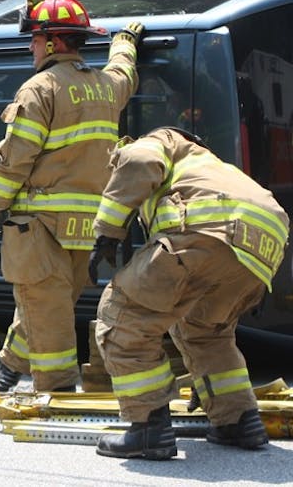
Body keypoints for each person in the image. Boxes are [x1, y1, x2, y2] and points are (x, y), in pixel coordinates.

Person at [91, 127, 289, 460]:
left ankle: (147, 428)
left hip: (206, 231)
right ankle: (237, 420)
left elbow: (138, 159)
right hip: (264, 248)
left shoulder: (166, 141)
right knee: (206, 332)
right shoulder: (213, 166)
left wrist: (107, 232)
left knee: (124, 318)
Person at [0, 0, 142, 393]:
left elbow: (16, 158)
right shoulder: (106, 88)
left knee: (45, 305)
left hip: (39, 226)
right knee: (48, 302)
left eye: (35, 39)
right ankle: (8, 367)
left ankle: (57, 390)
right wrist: (125, 43)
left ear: (53, 42)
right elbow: (124, 72)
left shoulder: (40, 89)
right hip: (85, 229)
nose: (30, 46)